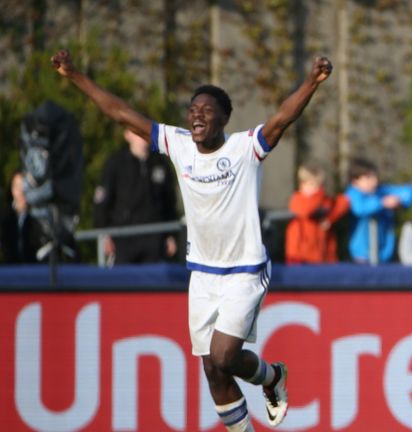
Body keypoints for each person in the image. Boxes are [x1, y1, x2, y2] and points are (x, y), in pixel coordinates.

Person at [51, 48, 332, 430]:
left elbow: (282, 118)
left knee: (224, 355)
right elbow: (120, 113)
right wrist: (75, 75)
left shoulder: (244, 148)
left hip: (244, 271)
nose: (197, 115)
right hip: (202, 273)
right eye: (193, 110)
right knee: (213, 370)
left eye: (207, 110)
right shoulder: (178, 143)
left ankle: (271, 376)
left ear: (225, 118)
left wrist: (311, 83)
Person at [94, 129, 178, 264]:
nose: (142, 137)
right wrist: (104, 234)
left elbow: (170, 203)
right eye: (137, 133)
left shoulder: (160, 162)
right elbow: (102, 202)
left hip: (155, 239)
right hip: (123, 239)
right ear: (127, 135)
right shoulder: (115, 163)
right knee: (124, 282)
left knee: (154, 282)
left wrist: (171, 235)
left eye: (144, 132)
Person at [344, 157, 412, 264]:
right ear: (355, 181)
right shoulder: (353, 194)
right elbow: (359, 209)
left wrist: (398, 201)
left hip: (385, 255)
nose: (374, 181)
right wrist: (382, 203)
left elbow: (410, 192)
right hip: (361, 257)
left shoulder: (381, 192)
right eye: (368, 177)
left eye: (375, 176)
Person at [284, 162, 349, 264]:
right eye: (311, 184)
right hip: (302, 256)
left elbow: (344, 202)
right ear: (302, 184)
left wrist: (330, 219)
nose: (315, 189)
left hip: (323, 254)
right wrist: (319, 195)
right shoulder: (298, 199)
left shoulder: (324, 200)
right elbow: (308, 210)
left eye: (319, 185)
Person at [0, 172, 46, 263]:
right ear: (12, 189)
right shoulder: (4, 217)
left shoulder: (39, 217)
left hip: (34, 271)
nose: (21, 191)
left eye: (25, 186)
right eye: (17, 186)